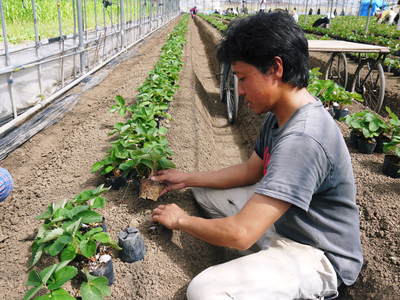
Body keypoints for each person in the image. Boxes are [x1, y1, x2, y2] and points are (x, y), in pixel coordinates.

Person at [152, 12, 362, 299]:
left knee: (205, 290)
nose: (239, 90)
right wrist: (187, 178)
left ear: (275, 68)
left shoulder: (303, 138)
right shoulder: (280, 115)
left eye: (243, 78)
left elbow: (241, 234)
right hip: (288, 223)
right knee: (202, 192)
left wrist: (180, 221)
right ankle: (257, 268)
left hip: (317, 253)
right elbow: (252, 171)